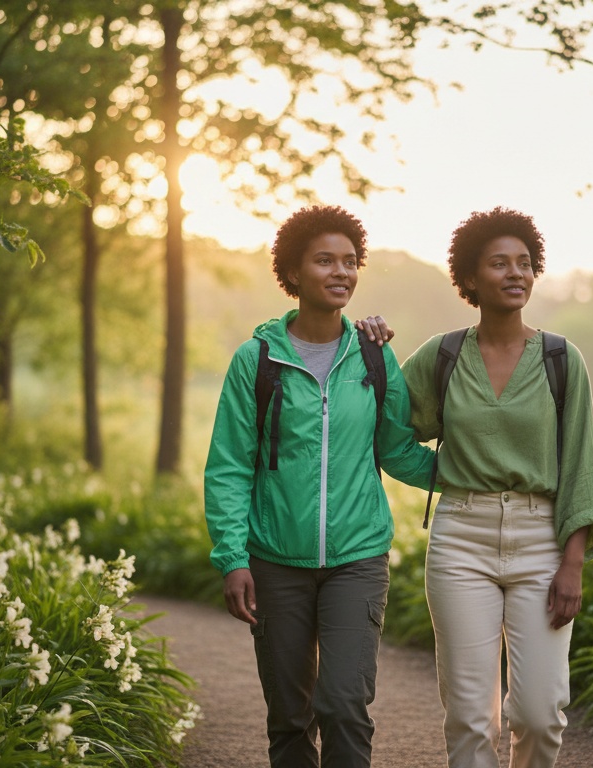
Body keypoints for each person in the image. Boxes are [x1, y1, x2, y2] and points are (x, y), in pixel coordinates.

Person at [203, 205, 435, 768]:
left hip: (358, 558)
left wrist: (474, 477)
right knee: (289, 712)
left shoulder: (374, 357)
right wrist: (233, 557)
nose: (341, 272)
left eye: (351, 262)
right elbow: (231, 466)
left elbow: (397, 449)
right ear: (294, 272)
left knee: (344, 704)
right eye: (325, 260)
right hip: (275, 561)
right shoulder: (255, 361)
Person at [398, 206, 593, 768]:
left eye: (524, 263)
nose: (516, 273)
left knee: (540, 715)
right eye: (499, 263)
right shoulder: (441, 356)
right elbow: (387, 433)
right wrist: (446, 475)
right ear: (470, 279)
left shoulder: (561, 359)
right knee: (472, 717)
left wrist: (574, 563)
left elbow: (583, 467)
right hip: (460, 539)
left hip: (542, 538)